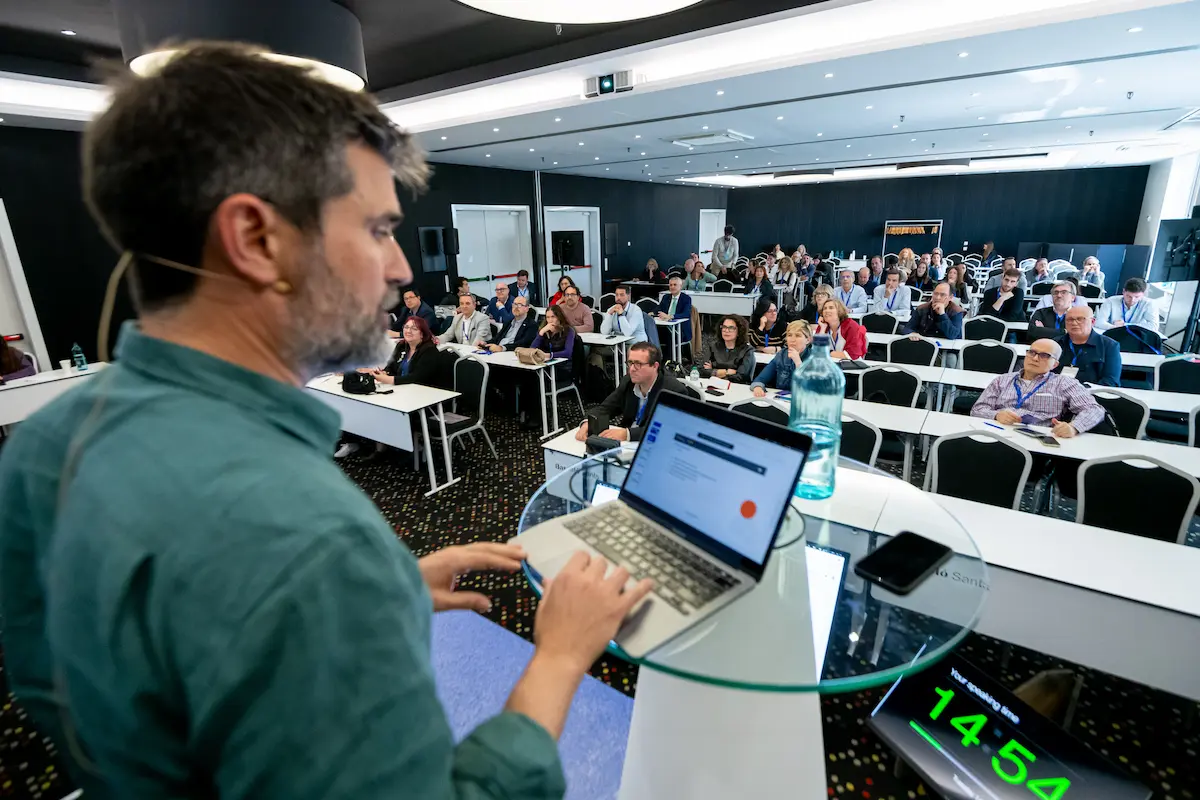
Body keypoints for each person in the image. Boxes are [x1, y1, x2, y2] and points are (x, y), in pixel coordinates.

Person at [0, 43, 652, 800]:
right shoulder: (314, 544)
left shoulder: (45, 445)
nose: (403, 267)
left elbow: (77, 693)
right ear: (256, 239)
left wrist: (383, 594)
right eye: (377, 228)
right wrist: (561, 655)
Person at [970, 339, 1105, 437]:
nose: (1035, 358)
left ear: (1055, 364)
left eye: (1044, 356)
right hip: (997, 431)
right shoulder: (1003, 379)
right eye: (1032, 352)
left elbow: (1094, 409)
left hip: (1037, 438)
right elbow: (977, 409)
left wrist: (1074, 427)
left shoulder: (1064, 383)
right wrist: (996, 415)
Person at [573, 342, 686, 442]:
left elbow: (667, 430)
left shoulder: (673, 390)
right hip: (626, 443)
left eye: (638, 364)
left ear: (655, 366)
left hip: (654, 444)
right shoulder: (628, 381)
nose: (632, 369)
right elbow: (606, 408)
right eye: (630, 363)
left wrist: (628, 434)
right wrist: (588, 422)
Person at [1054, 306, 1121, 387]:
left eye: (1080, 319)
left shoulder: (1109, 346)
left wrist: (1081, 393)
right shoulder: (1055, 343)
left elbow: (1111, 380)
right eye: (1070, 320)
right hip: (1056, 394)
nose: (1074, 323)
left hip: (1093, 395)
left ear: (1092, 321)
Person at [374, 315, 440, 386]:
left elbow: (417, 378)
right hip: (402, 389)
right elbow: (390, 367)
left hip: (423, 391)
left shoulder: (429, 350)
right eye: (406, 327)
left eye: (414, 329)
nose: (408, 331)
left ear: (422, 334)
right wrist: (384, 373)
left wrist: (387, 379)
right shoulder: (401, 346)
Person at [751, 320, 813, 396]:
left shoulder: (815, 359)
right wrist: (758, 387)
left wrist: (798, 363)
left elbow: (810, 389)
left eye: (798, 335)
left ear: (808, 340)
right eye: (789, 335)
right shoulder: (781, 355)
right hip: (781, 401)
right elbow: (761, 378)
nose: (792, 340)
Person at [697, 314, 755, 383]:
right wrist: (727, 372)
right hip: (713, 384)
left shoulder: (747, 350)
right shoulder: (713, 346)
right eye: (724, 327)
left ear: (739, 331)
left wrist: (714, 370)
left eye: (731, 328)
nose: (726, 330)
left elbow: (741, 376)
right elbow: (701, 370)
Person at [1094, 278, 1158, 333]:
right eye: (1129, 296)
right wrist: (1116, 328)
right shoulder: (1111, 301)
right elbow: (1099, 322)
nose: (1132, 300)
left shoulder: (1149, 304)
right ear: (1123, 291)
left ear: (1143, 294)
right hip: (1113, 335)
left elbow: (1154, 326)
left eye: (1137, 297)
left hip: (1136, 337)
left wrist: (1126, 325)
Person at [655, 274, 693, 342]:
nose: (672, 287)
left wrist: (670, 316)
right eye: (670, 285)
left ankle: (669, 353)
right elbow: (659, 308)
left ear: (681, 286)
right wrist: (651, 313)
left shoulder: (686, 299)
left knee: (669, 337)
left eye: (675, 285)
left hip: (680, 329)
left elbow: (686, 314)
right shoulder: (666, 297)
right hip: (665, 326)